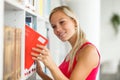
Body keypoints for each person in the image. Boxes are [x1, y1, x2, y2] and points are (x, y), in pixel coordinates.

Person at [31, 5, 100, 80]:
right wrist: (41, 73)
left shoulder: (89, 51)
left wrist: (51, 65)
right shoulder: (72, 52)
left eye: (62, 22)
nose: (58, 29)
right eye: (54, 26)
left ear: (74, 22)